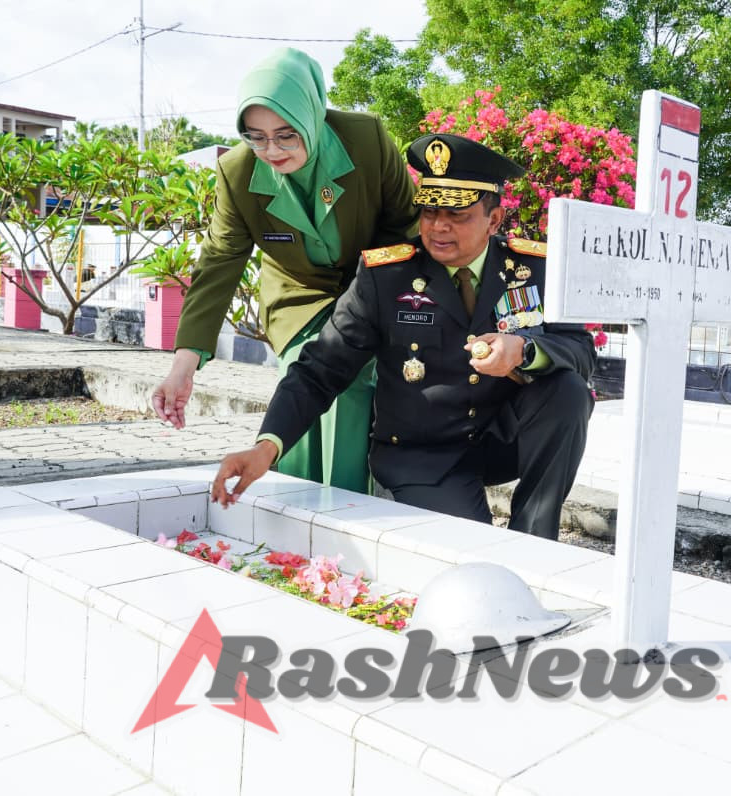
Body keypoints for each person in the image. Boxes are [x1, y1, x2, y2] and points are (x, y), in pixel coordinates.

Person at [210, 133, 596, 539]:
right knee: (474, 551)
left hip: (499, 439)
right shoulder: (387, 276)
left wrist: (524, 350)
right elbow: (321, 367)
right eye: (429, 211)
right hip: (422, 454)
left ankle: (535, 538)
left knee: (568, 390)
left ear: (494, 220)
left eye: (457, 214)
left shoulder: (533, 267)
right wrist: (266, 446)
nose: (438, 226)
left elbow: (580, 350)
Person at [152, 47, 417, 495]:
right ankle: (293, 503)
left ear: (312, 115)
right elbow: (220, 260)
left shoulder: (366, 139)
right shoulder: (237, 172)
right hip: (298, 296)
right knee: (301, 372)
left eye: (286, 135)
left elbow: (404, 225)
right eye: (256, 136)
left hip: (370, 286)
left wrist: (386, 306)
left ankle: (348, 507)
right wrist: (184, 366)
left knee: (355, 381)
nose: (270, 150)